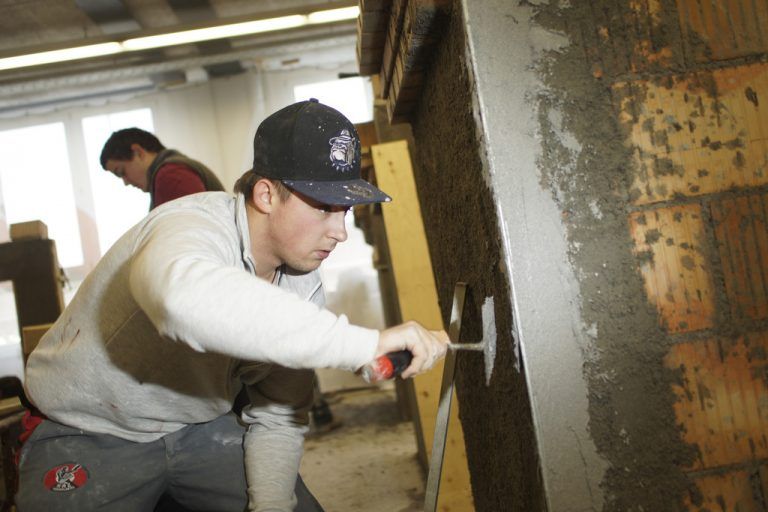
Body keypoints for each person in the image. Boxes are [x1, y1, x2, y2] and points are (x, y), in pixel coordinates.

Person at [17, 99, 448, 511]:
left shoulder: (302, 284)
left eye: (345, 212)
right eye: (323, 209)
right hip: (85, 427)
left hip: (197, 428)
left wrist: (272, 506)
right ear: (265, 195)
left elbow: (278, 412)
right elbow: (181, 301)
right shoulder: (189, 224)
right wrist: (362, 344)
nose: (340, 232)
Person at [100, 127, 225, 210]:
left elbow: (189, 235)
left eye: (122, 172)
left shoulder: (171, 175)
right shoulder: (172, 170)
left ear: (138, 152)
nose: (126, 182)